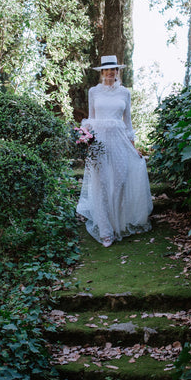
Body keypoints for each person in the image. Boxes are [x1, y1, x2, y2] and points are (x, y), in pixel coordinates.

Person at [76, 55, 153, 247]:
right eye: (107, 69)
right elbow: (90, 119)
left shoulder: (124, 93)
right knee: (101, 185)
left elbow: (127, 123)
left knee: (119, 182)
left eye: (114, 69)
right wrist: (87, 139)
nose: (111, 72)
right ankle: (105, 231)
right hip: (99, 143)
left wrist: (134, 147)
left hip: (119, 142)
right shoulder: (93, 91)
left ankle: (117, 224)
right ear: (102, 72)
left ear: (118, 71)